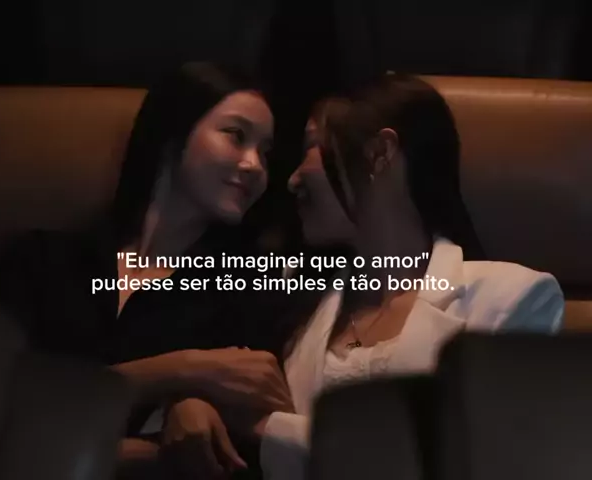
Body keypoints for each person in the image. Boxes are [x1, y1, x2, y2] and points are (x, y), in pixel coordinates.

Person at [159, 73, 565, 480]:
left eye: (311, 147)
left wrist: (263, 428)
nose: (292, 179)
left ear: (380, 153)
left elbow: (468, 462)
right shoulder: (295, 300)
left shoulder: (514, 298)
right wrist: (195, 404)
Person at [0, 61, 295, 477]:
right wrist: (182, 369)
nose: (255, 165)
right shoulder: (38, 261)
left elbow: (234, 451)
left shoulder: (251, 286)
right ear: (172, 133)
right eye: (236, 136)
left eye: (265, 152)